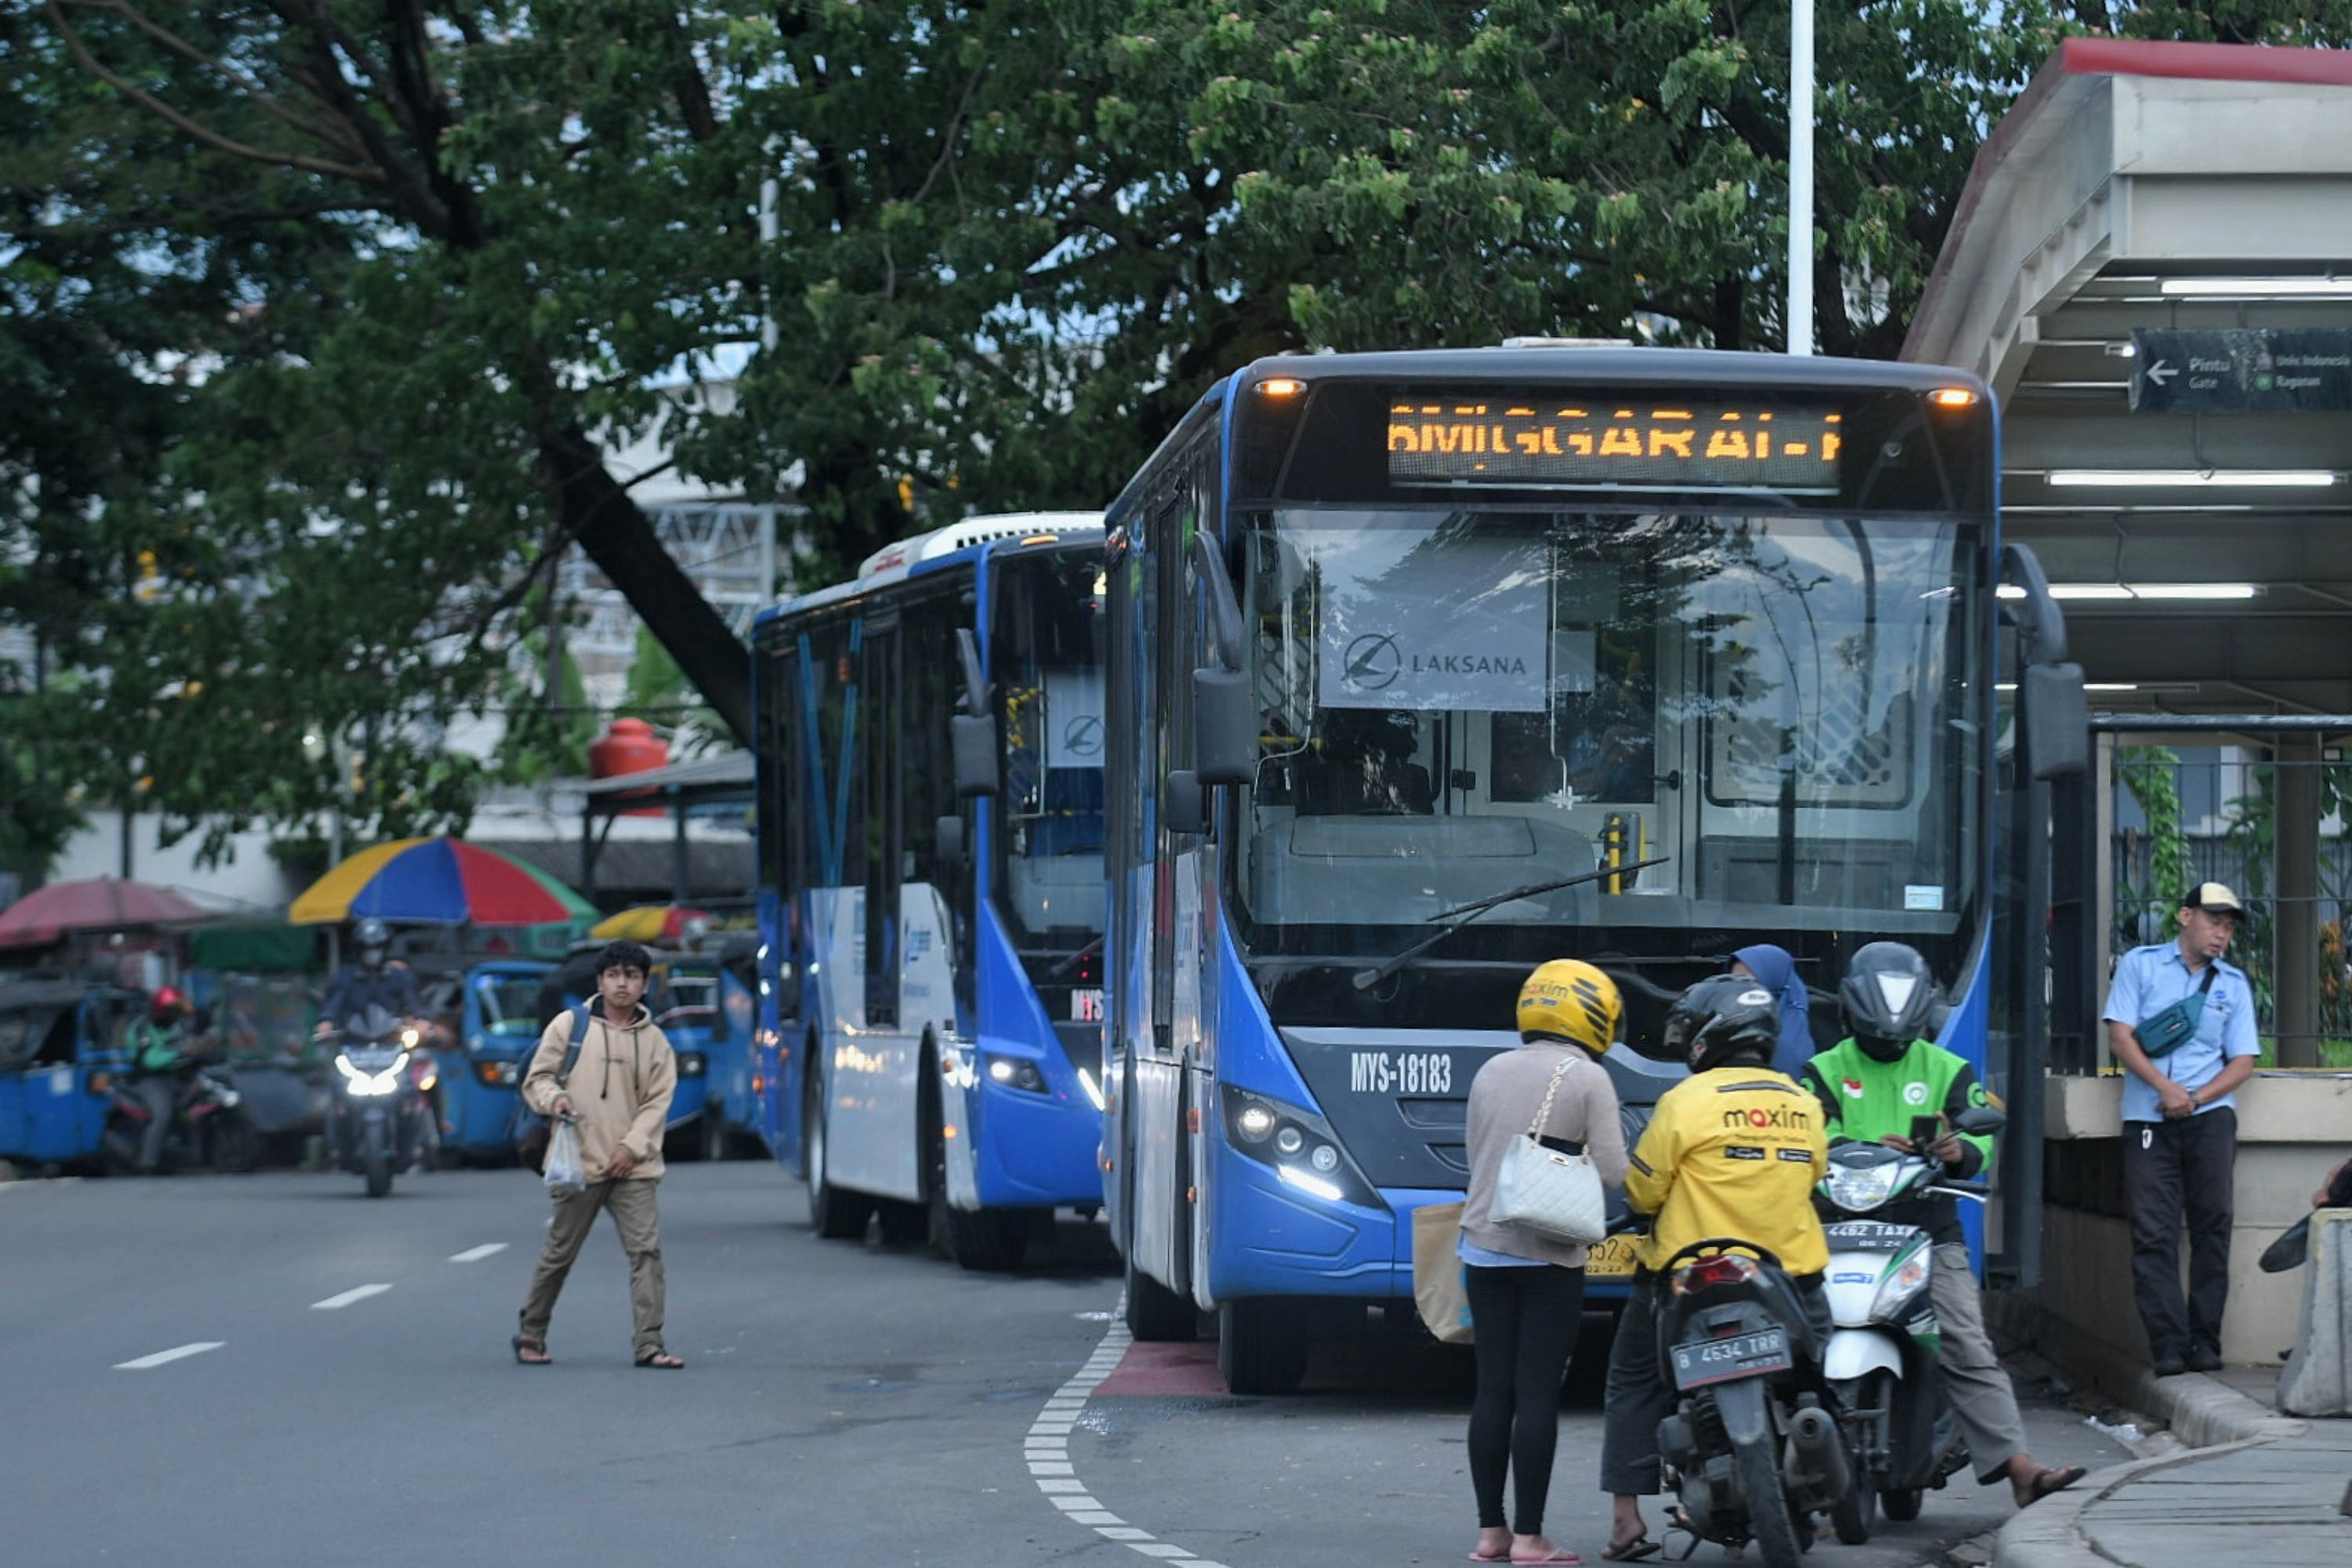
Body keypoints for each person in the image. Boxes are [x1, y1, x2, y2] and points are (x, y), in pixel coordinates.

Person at [1808, 941, 2086, 1506]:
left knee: (1965, 1341)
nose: (1889, 1042)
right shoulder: (1823, 1070)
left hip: (1926, 1231)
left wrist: (1956, 1151)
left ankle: (2021, 1469)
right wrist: (1857, 1148)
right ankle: (1792, 1470)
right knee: (1796, 1336)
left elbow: (1981, 1133)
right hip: (1835, 1227)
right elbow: (1809, 1133)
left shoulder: (1948, 1070)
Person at [1600, 974, 1829, 1562]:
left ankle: (1627, 1521)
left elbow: (1644, 1193)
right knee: (1821, 1377)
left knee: (1633, 1383)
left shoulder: (1686, 1101)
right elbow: (1814, 1180)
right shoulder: (1803, 1102)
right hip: (1791, 1277)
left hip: (1685, 1277)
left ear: (1708, 1034)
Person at [1459, 959, 1631, 1566]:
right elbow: (1613, 1172)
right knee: (1536, 1395)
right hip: (1550, 1257)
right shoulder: (1588, 1079)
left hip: (1482, 1249)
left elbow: (1477, 1153)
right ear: (1596, 1016)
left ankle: (1491, 1534)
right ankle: (1531, 1537)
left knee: (1492, 1392)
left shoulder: (1489, 1070)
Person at [2100, 883, 2261, 1375]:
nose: (2222, 935)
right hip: (2148, 1116)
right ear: (2185, 917)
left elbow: (2243, 1061)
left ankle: (2205, 1340)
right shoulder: (2140, 966)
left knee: (2213, 1226)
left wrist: (2194, 1097)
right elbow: (2120, 1036)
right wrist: (2163, 1089)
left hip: (2209, 1116)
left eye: (2229, 927)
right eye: (2215, 922)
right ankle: (2168, 1344)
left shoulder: (2232, 984)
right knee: (2154, 1233)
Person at [512, 939, 682, 1370]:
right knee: (559, 1252)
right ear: (600, 982)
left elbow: (657, 1104)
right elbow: (538, 1079)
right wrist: (556, 1101)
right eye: (613, 975)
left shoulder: (656, 1043)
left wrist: (631, 1148)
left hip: (634, 1167)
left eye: (631, 976)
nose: (622, 984)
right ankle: (531, 1334)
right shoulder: (569, 1026)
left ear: (644, 985)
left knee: (646, 1254)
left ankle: (650, 1345)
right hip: (579, 1164)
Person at [125, 985, 198, 1174]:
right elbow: (150, 1060)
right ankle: (147, 1162)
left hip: (176, 1076)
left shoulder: (177, 1026)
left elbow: (190, 1044)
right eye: (173, 1011)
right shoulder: (142, 1029)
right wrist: (179, 1053)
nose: (176, 1015)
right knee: (162, 1114)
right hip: (150, 1080)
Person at [317, 916, 420, 1032]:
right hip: (353, 1041)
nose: (372, 952)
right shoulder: (345, 978)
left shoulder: (399, 977)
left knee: (422, 1050)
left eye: (378, 947)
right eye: (367, 947)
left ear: (386, 948)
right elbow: (334, 1004)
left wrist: (421, 1019)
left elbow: (413, 1002)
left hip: (393, 1039)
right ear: (359, 949)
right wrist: (326, 1021)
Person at [1731, 943, 1813, 1078]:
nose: (1740, 990)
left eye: (1748, 982)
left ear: (1773, 981)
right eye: (1735, 982)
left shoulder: (1782, 1046)